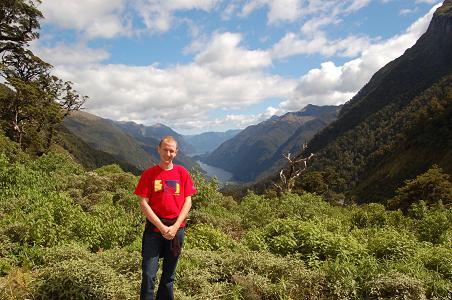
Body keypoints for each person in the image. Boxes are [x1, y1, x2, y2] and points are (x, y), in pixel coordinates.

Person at [134, 135, 197, 300]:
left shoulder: (182, 173)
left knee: (169, 276)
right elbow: (143, 203)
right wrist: (162, 228)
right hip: (154, 231)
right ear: (158, 150)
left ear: (176, 152)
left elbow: (188, 201)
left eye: (171, 151)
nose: (168, 154)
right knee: (148, 275)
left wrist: (175, 227)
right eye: (165, 150)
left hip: (177, 231)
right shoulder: (149, 174)